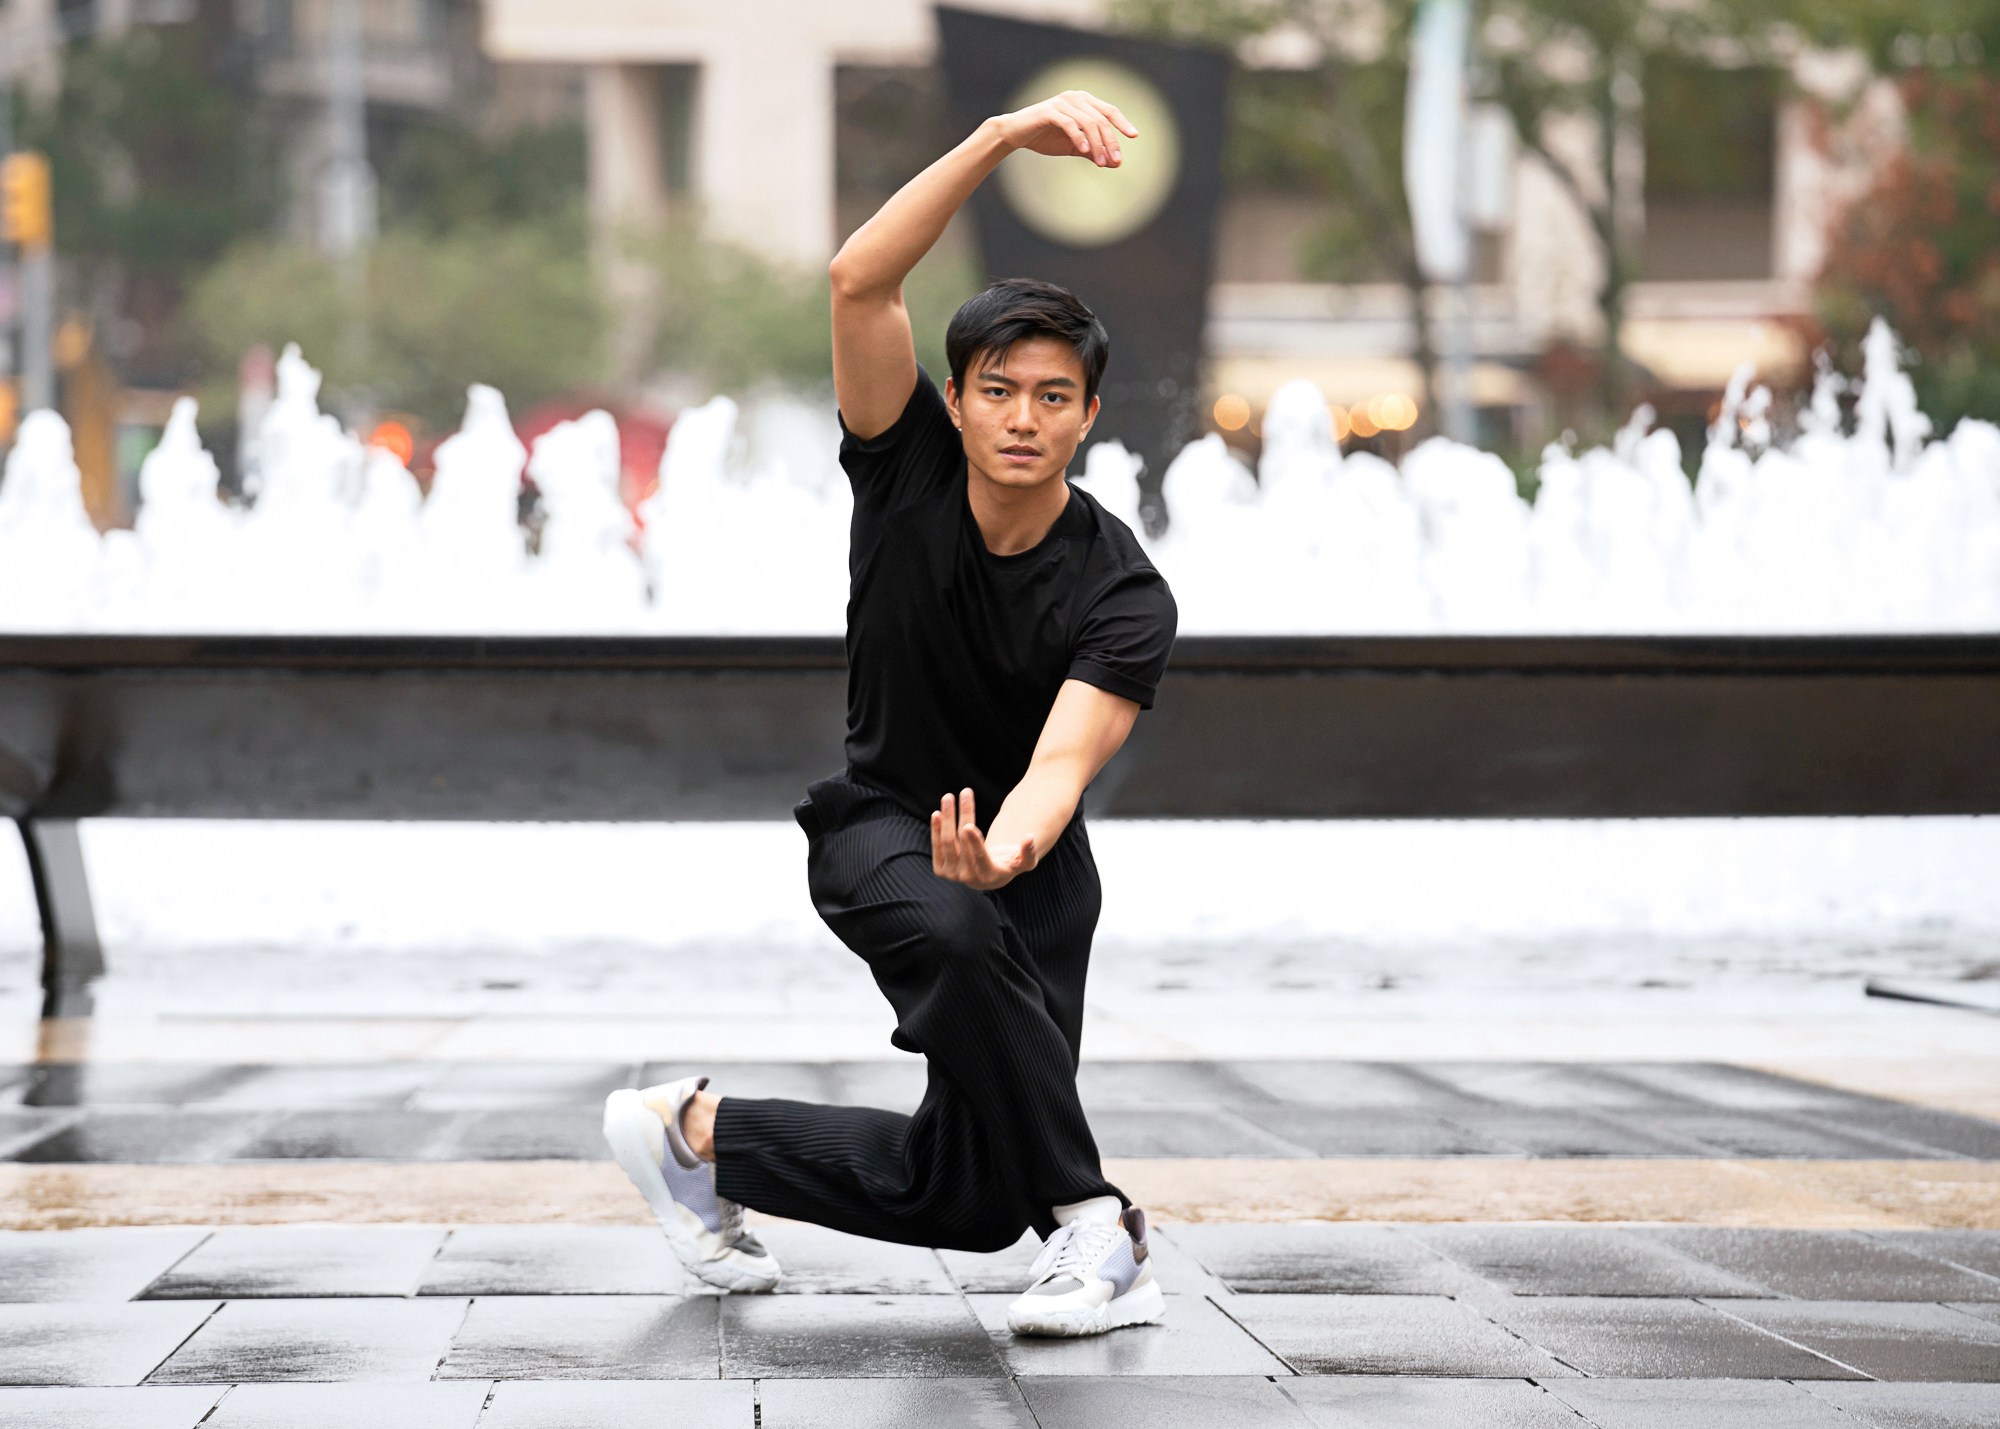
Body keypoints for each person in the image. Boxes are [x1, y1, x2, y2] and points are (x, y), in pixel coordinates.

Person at [603, 87, 1177, 1338]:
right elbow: (859, 280)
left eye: (1051, 396)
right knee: (961, 945)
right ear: (958, 399)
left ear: (1088, 414)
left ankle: (692, 1134)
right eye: (996, 388)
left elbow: (1064, 763)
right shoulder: (906, 466)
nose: (1021, 417)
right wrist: (996, 139)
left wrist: (1009, 852)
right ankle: (1099, 1226)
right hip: (879, 828)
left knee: (967, 1195)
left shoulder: (1122, 588)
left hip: (1030, 865)